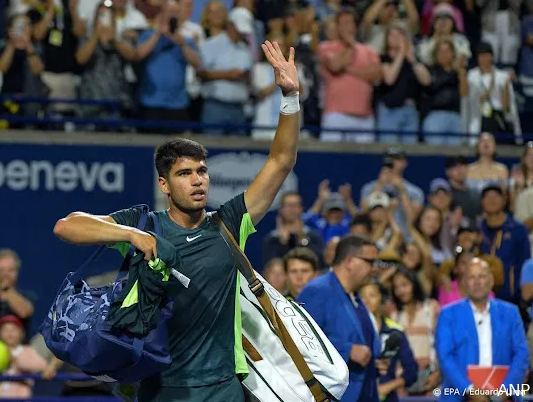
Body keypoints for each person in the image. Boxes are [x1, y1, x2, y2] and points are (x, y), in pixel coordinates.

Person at [54, 40, 302, 402]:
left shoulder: (229, 222)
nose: (198, 179)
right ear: (164, 184)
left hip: (224, 390)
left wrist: (290, 98)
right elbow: (67, 225)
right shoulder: (143, 223)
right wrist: (132, 236)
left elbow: (281, 161)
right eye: (185, 173)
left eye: (202, 171)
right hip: (161, 389)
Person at [297, 235, 381, 402]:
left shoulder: (355, 296)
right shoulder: (317, 291)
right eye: (369, 262)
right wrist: (347, 350)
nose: (374, 268)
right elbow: (300, 342)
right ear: (349, 262)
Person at [435, 258, 529, 401]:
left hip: (504, 395)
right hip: (461, 396)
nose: (477, 282)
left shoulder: (510, 313)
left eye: (482, 276)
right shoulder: (448, 314)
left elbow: (521, 354)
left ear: (491, 280)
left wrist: (506, 390)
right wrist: (469, 390)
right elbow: (445, 357)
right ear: (464, 282)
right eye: (471, 277)